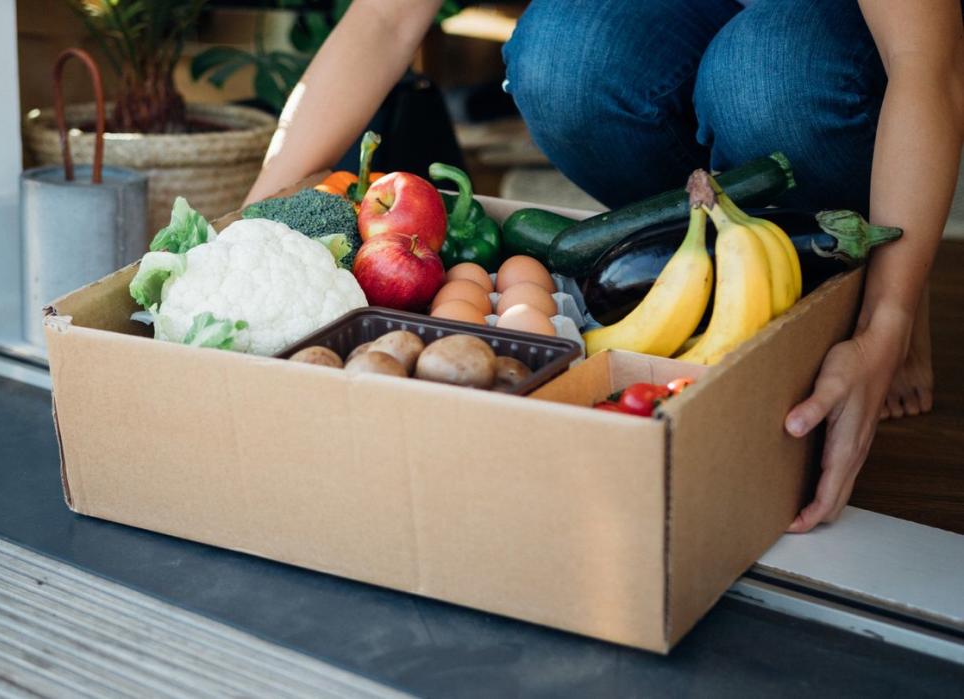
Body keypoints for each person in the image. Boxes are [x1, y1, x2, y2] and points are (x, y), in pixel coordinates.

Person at [245, 0, 964, 533]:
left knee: (763, 78)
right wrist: (251, 227)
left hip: (830, 37)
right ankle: (695, 266)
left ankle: (869, 257)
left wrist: (890, 318)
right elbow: (383, 19)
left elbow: (927, 65)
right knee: (566, 60)